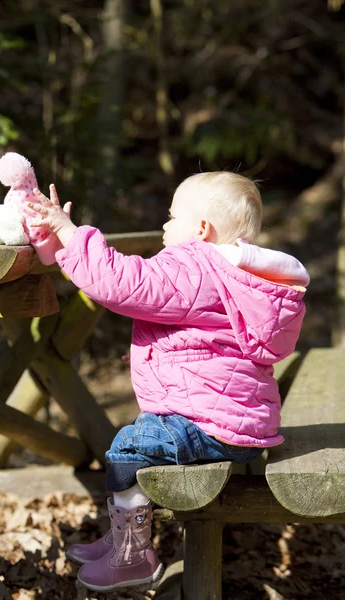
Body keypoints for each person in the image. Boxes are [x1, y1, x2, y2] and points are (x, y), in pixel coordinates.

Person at [26, 172, 309, 593]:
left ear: (200, 230)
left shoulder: (193, 265)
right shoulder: (230, 272)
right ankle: (125, 537)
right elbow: (194, 337)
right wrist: (59, 246)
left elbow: (121, 283)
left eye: (171, 216)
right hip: (236, 420)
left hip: (209, 423)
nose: (164, 225)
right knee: (139, 437)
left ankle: (134, 556)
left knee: (127, 446)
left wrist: (70, 232)